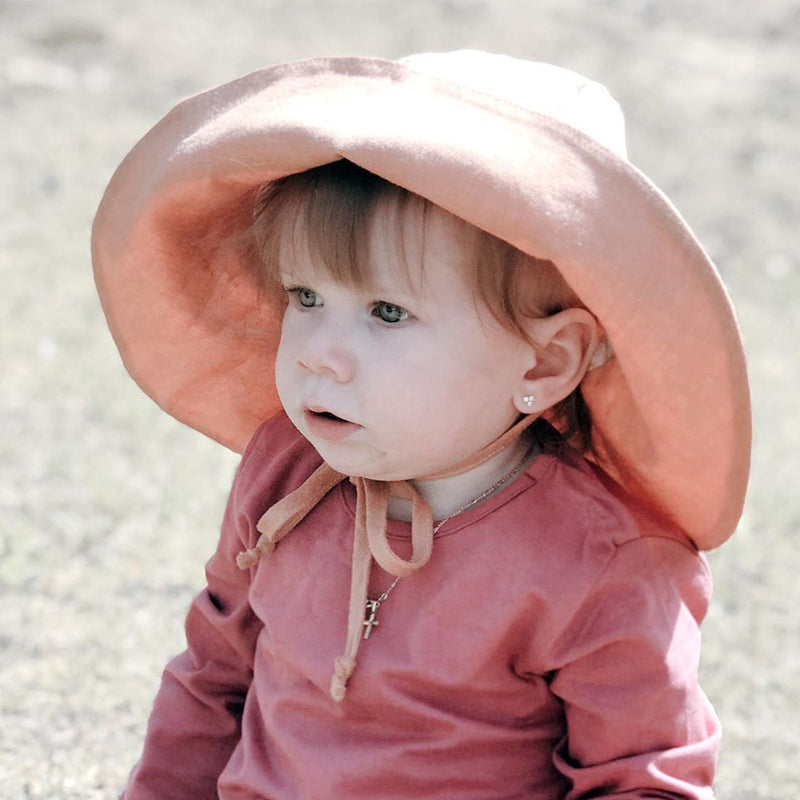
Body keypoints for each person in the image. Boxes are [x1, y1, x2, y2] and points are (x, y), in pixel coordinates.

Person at [92, 51, 751, 799]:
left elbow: (643, 780)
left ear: (543, 364)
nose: (320, 358)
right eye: (306, 296)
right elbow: (214, 677)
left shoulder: (605, 564)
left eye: (388, 312)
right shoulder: (284, 468)